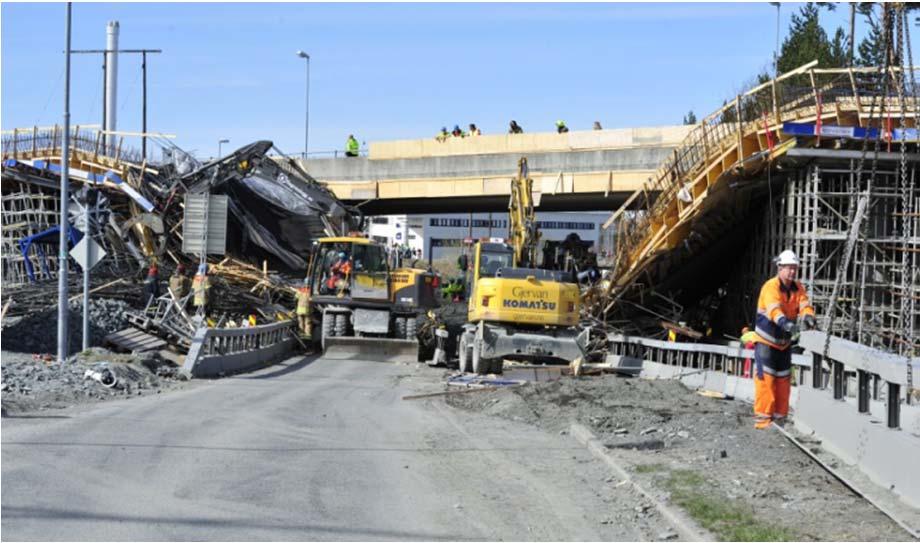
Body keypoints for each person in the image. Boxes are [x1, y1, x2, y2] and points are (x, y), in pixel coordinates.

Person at [751, 250, 817, 429]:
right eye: (789, 268)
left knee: (783, 382)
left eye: (795, 268)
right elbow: (773, 309)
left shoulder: (797, 287)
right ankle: (763, 422)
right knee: (766, 382)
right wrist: (785, 323)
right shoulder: (770, 287)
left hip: (783, 344)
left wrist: (808, 315)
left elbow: (804, 304)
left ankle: (779, 421)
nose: (793, 272)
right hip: (767, 342)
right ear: (780, 268)